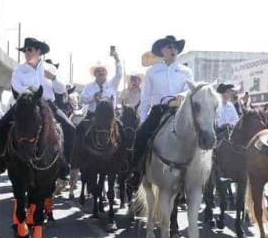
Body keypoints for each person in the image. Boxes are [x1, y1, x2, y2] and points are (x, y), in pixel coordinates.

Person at [0, 37, 75, 179]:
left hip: (48, 104)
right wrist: (33, 90)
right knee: (1, 125)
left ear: (38, 51)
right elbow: (17, 87)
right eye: (25, 50)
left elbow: (62, 89)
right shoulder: (19, 69)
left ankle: (65, 164)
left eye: (29, 50)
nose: (26, 53)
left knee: (70, 128)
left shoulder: (50, 68)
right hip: (26, 103)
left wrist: (54, 78)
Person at [128, 35, 194, 185]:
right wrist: (143, 120)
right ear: (162, 50)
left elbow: (191, 90)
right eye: (170, 47)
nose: (173, 50)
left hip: (181, 111)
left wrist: (183, 95)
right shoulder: (152, 71)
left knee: (201, 136)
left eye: (175, 47)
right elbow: (146, 97)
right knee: (141, 137)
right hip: (159, 111)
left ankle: (200, 178)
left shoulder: (186, 71)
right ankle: (136, 172)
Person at [80, 48, 123, 117]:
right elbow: (82, 99)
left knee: (121, 127)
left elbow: (119, 74)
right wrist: (93, 97)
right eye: (98, 71)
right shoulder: (88, 86)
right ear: (94, 74)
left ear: (106, 72)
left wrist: (117, 58)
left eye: (103, 70)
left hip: (110, 116)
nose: (101, 72)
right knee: (78, 127)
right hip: (92, 116)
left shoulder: (113, 83)